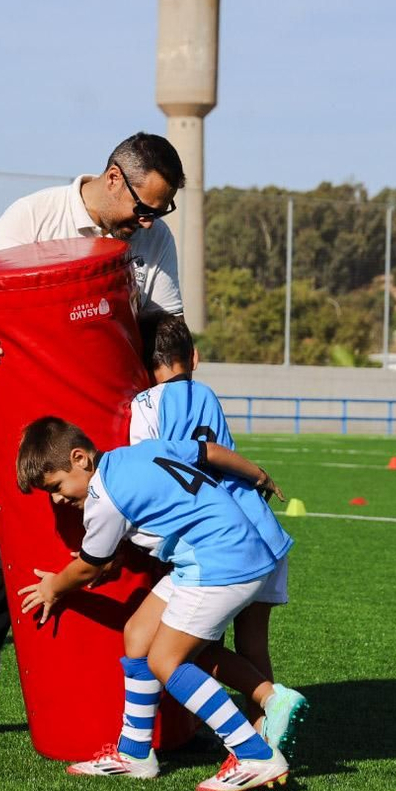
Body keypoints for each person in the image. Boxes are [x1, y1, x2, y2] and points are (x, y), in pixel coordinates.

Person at [0, 130, 185, 748]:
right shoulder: (36, 214)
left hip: (115, 436)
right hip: (24, 438)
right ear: (114, 178)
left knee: (157, 559)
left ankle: (178, 711)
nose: (150, 220)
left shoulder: (153, 239)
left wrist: (173, 413)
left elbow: (164, 327)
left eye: (161, 211)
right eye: (145, 206)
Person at [15, 417, 293, 791]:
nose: (57, 499)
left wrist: (53, 587)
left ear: (80, 458)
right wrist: (258, 474)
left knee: (166, 661)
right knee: (138, 635)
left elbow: (87, 567)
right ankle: (135, 754)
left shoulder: (103, 496)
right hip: (224, 552)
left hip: (220, 562)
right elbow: (207, 452)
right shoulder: (140, 453)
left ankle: (254, 754)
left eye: (57, 486)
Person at [127, 316, 306, 748]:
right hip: (263, 529)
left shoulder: (145, 405)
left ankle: (260, 726)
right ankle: (266, 731)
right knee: (253, 644)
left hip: (220, 540)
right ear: (195, 358)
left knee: (184, 649)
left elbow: (149, 468)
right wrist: (260, 475)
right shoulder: (206, 393)